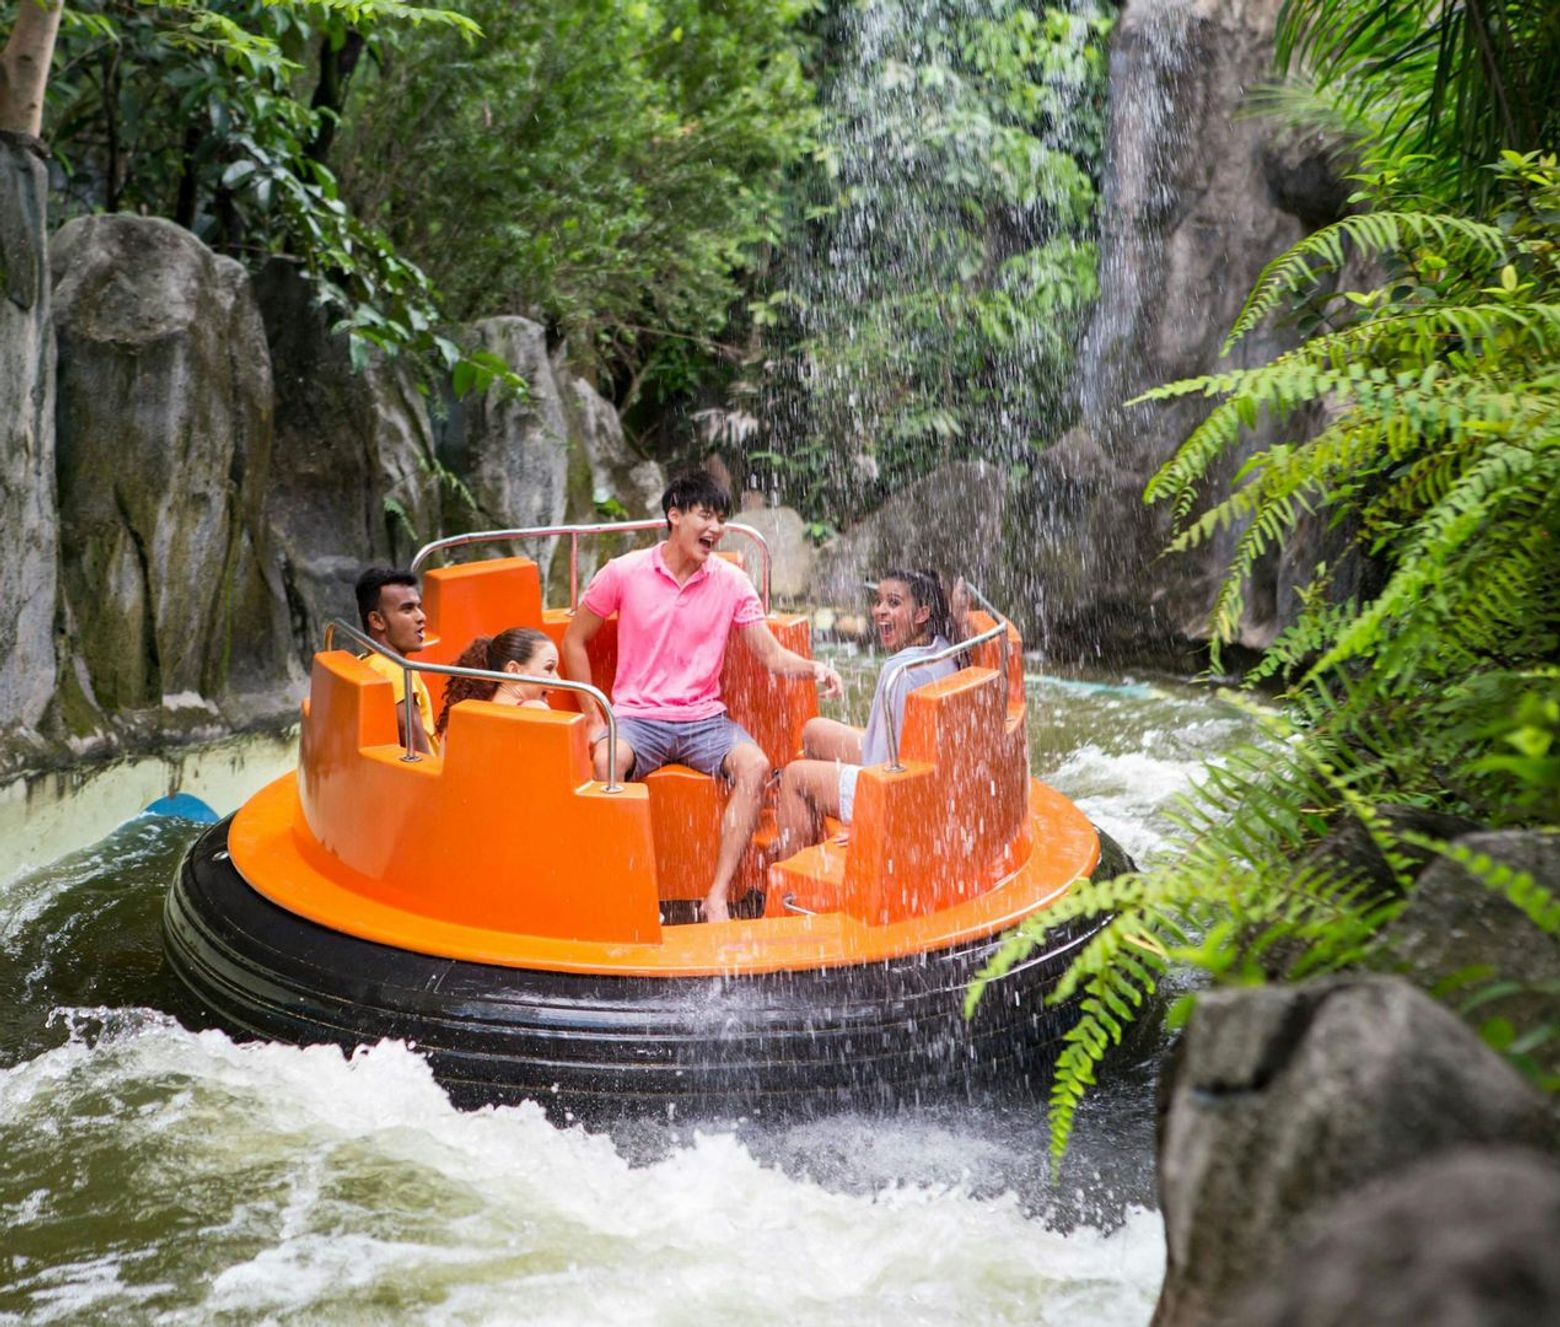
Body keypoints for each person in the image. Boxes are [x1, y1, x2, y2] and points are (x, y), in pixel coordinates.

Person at [562, 470, 845, 923]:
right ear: (674, 515)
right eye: (705, 516)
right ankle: (628, 891)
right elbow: (573, 641)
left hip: (704, 721)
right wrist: (594, 717)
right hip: (637, 717)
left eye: (721, 519)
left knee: (753, 766)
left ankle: (716, 895)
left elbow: (770, 656)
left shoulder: (731, 582)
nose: (715, 528)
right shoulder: (624, 572)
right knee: (606, 761)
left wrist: (816, 668)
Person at [775, 570, 962, 858]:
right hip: (916, 771)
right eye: (878, 601)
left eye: (894, 603)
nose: (880, 611)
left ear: (922, 613)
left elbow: (886, 764)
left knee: (794, 776)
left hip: (893, 792)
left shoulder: (900, 673)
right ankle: (804, 827)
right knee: (813, 730)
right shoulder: (943, 648)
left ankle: (790, 872)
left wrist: (868, 820)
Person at [355, 566, 438, 754]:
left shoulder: (366, 661)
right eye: (408, 610)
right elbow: (413, 741)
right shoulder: (395, 669)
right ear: (377, 621)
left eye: (419, 607)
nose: (422, 617)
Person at [436, 628, 559, 738]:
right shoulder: (535, 710)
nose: (557, 680)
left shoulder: (456, 718)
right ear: (514, 670)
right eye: (549, 668)